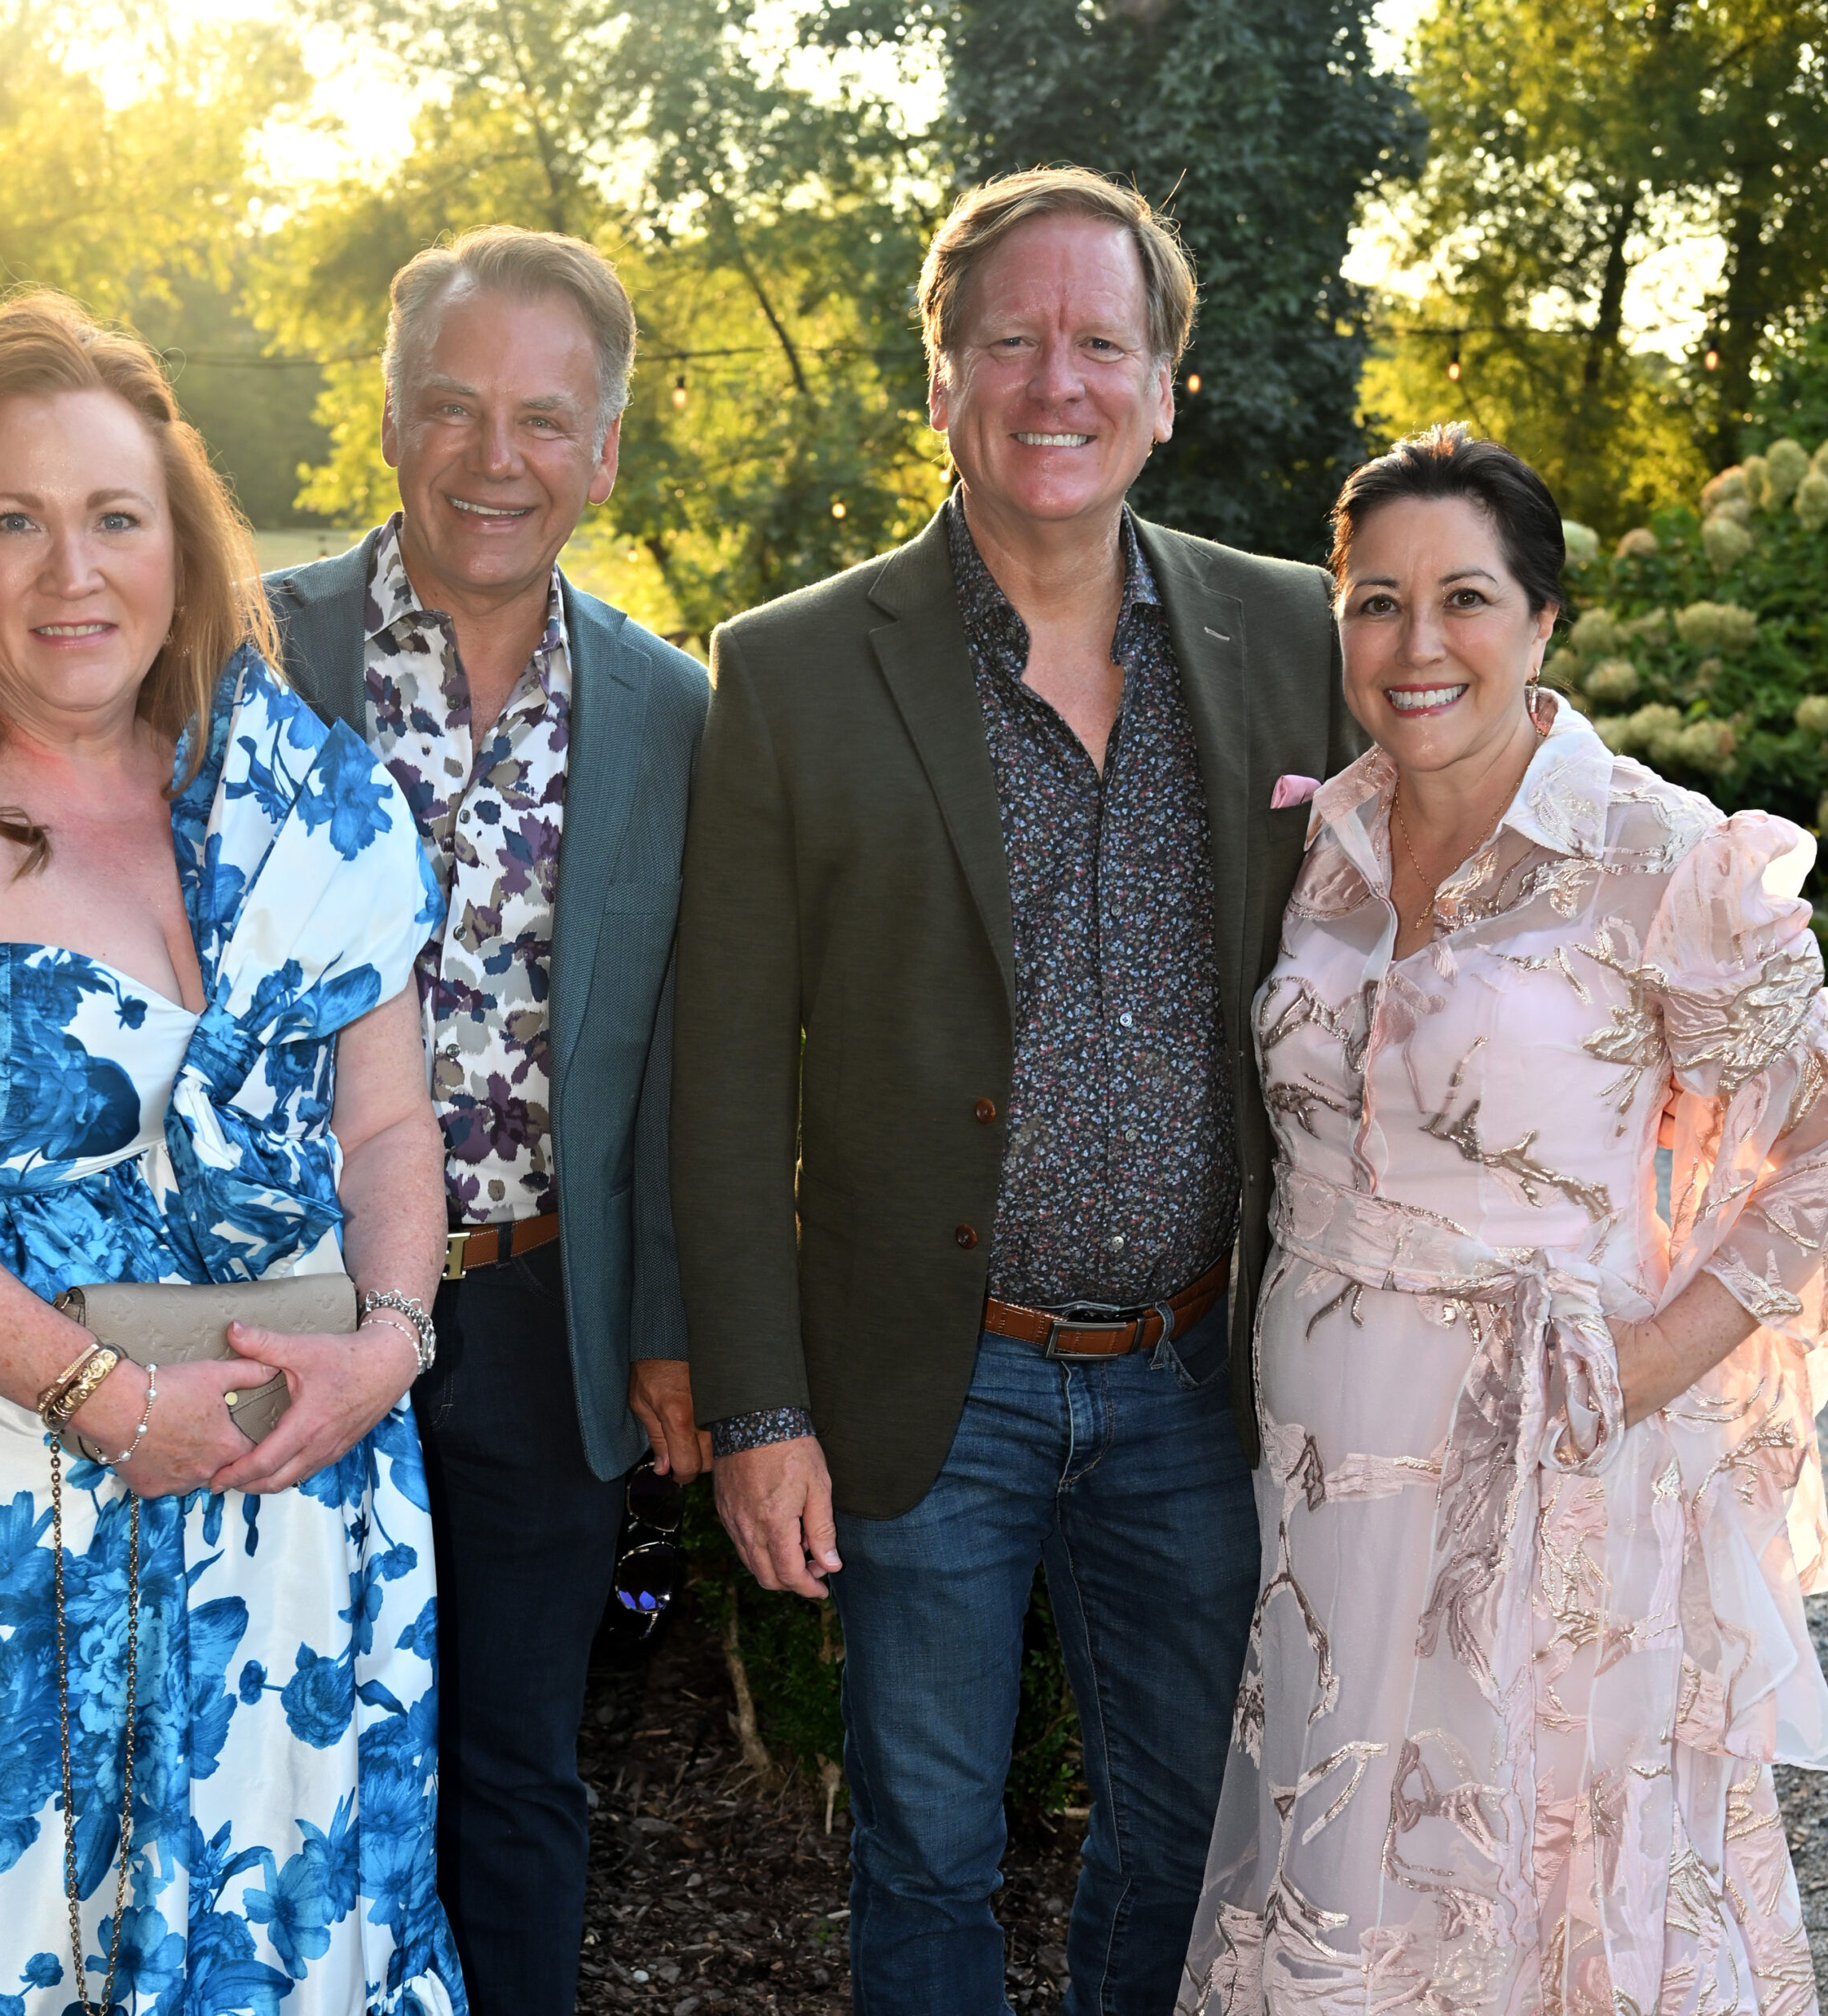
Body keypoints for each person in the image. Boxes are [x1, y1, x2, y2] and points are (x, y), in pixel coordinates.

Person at [671, 166, 1362, 2014]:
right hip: (930, 1379)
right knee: (923, 1854)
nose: (1055, 381)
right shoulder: (793, 670)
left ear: (1162, 387)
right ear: (938, 380)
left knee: (1191, 1831)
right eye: (1008, 341)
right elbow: (721, 1076)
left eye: (1099, 344)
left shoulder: (1291, 634)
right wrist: (757, 1409)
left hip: (1200, 1375)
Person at [0, 293, 464, 2006]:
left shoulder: (309, 804)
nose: (70, 572)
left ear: (182, 549)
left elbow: (389, 1123)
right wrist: (101, 1401)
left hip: (283, 1488)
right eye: (13, 521)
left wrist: (388, 1348)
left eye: (114, 518)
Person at [1181, 425, 1828, 2014]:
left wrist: (1657, 1356)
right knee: (1344, 1874)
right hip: (1323, 1482)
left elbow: (1815, 1141)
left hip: (1551, 1479)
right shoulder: (1322, 842)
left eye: (1462, 597)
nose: (1417, 644)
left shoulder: (1657, 854)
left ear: (1542, 619)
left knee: (1536, 1892)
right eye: (1376, 602)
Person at [265, 225, 710, 2016]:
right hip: (281, 1295)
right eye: (452, 407)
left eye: (541, 419)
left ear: (602, 453)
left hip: (538, 1311)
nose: (493, 457)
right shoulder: (242, 648)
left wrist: (669, 1331)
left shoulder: (672, 708)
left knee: (515, 1770)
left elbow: (682, 1051)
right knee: (274, 1751)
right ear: (389, 420)